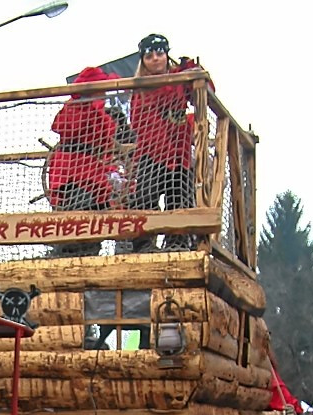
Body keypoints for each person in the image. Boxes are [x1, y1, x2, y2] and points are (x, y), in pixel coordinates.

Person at [128, 33, 201, 252]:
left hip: (178, 149)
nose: (155, 59)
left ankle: (177, 242)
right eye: (149, 56)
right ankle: (144, 244)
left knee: (179, 197)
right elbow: (137, 120)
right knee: (145, 197)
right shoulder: (140, 87)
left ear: (166, 55)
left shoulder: (179, 78)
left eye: (159, 54)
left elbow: (201, 94)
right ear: (143, 60)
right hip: (151, 150)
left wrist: (193, 71)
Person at [46, 66, 126, 257]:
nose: (104, 94)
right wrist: (92, 105)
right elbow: (68, 128)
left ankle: (92, 253)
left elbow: (104, 146)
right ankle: (67, 255)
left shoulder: (100, 114)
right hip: (71, 173)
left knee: (97, 215)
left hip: (93, 173)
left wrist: (113, 172)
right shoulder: (73, 109)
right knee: (78, 215)